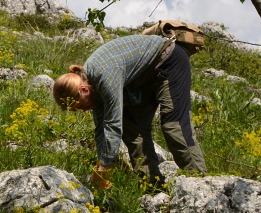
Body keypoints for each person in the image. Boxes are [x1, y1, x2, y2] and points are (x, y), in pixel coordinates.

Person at [52, 34, 207, 189]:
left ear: (84, 90)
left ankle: (200, 184)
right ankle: (152, 186)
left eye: (79, 106)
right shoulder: (90, 84)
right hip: (144, 79)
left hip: (168, 61)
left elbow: (113, 124)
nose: (83, 111)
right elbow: (101, 130)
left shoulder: (104, 76)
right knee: (132, 128)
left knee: (173, 126)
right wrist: (101, 166)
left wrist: (105, 168)